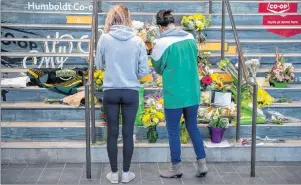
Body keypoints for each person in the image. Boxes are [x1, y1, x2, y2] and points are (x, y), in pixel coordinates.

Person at [95, 4, 149, 184]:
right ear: (128, 19)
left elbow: (98, 65)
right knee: (127, 132)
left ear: (110, 18)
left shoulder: (104, 38)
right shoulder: (138, 40)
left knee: (111, 133)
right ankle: (126, 173)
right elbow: (143, 72)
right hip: (131, 92)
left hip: (110, 91)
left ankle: (113, 174)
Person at [151, 9, 208, 178]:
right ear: (172, 22)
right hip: (192, 91)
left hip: (174, 92)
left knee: (174, 131)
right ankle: (202, 164)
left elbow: (157, 66)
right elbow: (194, 58)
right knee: (193, 128)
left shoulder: (162, 43)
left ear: (161, 27)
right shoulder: (190, 37)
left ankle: (176, 168)